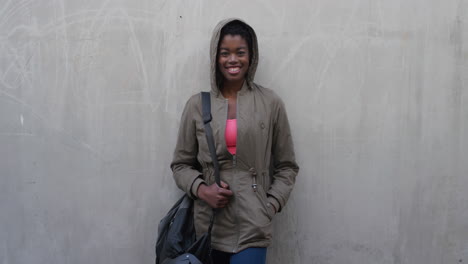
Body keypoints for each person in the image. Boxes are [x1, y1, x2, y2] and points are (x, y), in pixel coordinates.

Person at [171, 18, 299, 264]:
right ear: (215, 57)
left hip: (253, 225)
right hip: (208, 225)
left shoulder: (270, 103)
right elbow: (180, 164)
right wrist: (202, 190)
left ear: (251, 56)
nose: (232, 60)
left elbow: (287, 167)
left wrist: (269, 205)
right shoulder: (197, 105)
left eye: (240, 52)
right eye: (225, 53)